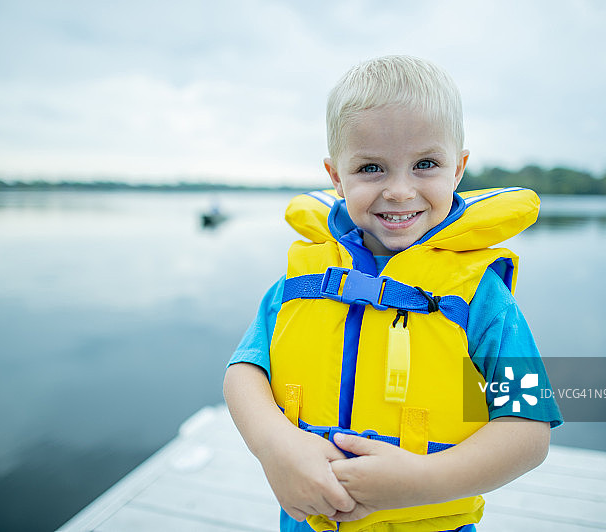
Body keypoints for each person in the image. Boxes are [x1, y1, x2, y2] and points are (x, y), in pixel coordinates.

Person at [223, 55, 562, 532]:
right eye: (371, 168)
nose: (400, 191)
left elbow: (528, 432)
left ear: (459, 168)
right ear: (337, 176)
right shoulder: (302, 280)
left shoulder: (481, 297)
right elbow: (244, 372)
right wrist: (275, 445)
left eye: (426, 164)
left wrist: (424, 479)